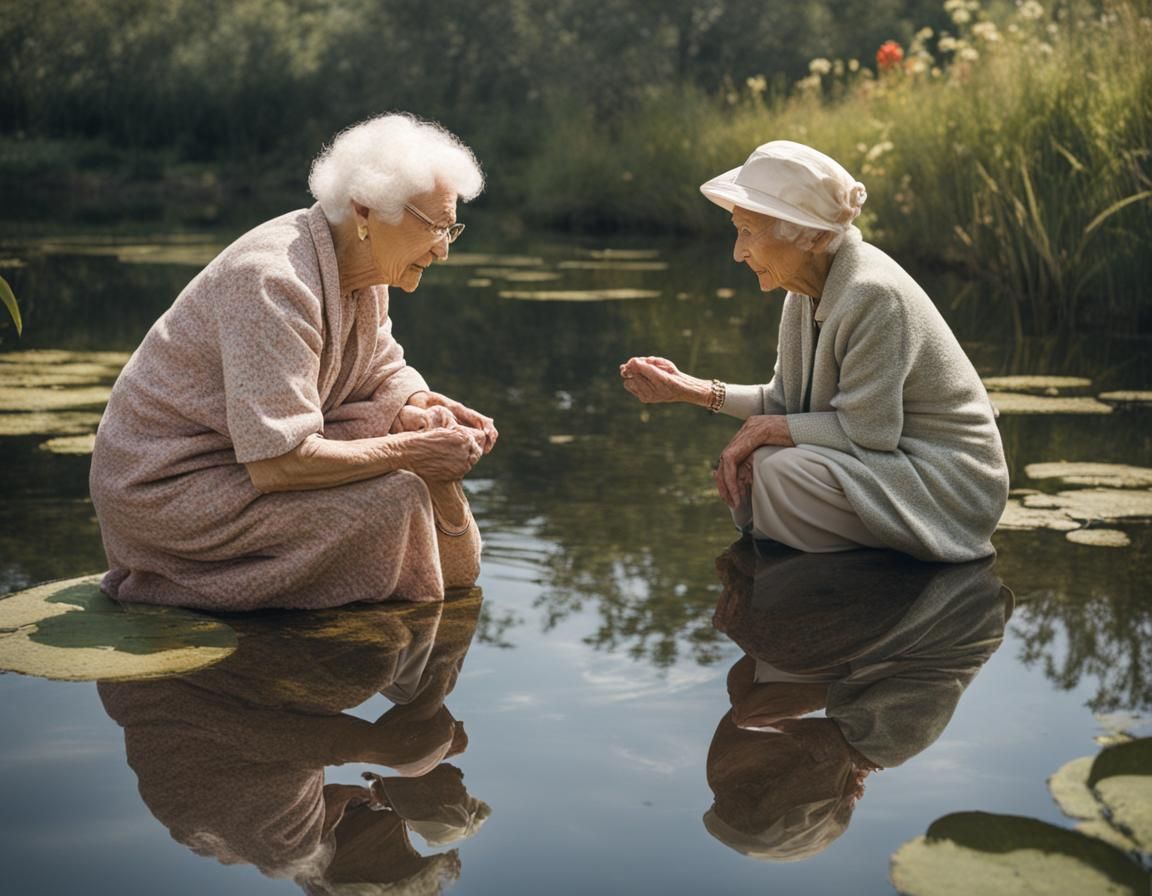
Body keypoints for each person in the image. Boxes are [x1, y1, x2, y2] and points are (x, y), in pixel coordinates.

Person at [90, 113, 497, 611]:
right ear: (366, 212)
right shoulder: (272, 281)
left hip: (237, 461)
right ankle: (173, 586)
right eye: (433, 227)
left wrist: (421, 405)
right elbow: (277, 465)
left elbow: (380, 369)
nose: (443, 250)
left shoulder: (367, 276)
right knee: (396, 499)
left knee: (399, 428)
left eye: (450, 228)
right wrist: (413, 451)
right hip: (166, 490)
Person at [620, 141, 1008, 562]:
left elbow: (869, 432)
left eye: (749, 231)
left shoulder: (873, 296)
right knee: (768, 461)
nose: (737, 252)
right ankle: (796, 571)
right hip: (889, 464)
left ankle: (812, 586)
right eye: (738, 230)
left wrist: (767, 430)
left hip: (950, 485)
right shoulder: (802, 293)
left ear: (812, 236)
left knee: (775, 469)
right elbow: (785, 403)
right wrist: (689, 389)